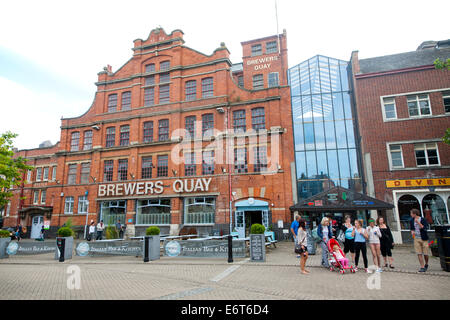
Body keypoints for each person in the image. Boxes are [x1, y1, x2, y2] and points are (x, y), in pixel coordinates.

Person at [410, 208, 429, 273]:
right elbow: (412, 229)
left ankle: (426, 263)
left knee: (425, 253)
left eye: (411, 213)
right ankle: (422, 267)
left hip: (424, 238)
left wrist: (418, 222)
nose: (411, 215)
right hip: (416, 238)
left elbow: (424, 228)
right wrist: (412, 232)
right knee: (419, 253)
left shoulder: (423, 219)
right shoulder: (411, 220)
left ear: (415, 214)